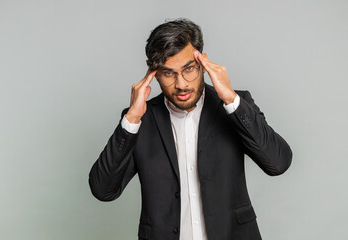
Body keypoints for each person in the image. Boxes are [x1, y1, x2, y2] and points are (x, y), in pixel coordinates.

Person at [88, 18, 293, 240]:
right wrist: (131, 119)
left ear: (203, 63)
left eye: (189, 69)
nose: (182, 84)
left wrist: (230, 99)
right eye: (168, 73)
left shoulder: (234, 105)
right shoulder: (140, 121)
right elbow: (103, 190)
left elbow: (278, 163)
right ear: (155, 75)